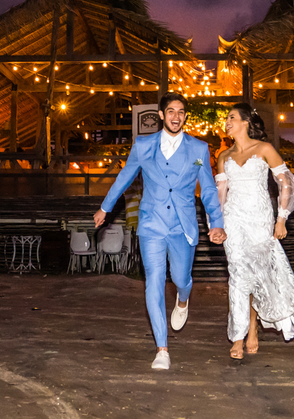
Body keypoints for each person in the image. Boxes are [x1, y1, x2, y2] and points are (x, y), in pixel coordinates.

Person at [94, 92, 226, 371]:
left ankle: (183, 298)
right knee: (153, 280)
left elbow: (210, 189)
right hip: (151, 224)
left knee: (181, 278)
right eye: (171, 111)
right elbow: (124, 177)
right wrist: (105, 208)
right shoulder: (143, 146)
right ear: (162, 115)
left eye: (181, 112)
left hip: (182, 226)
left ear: (185, 116)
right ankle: (162, 348)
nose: (176, 116)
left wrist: (217, 223)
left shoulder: (198, 150)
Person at [216, 103, 294, 359]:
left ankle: (253, 327)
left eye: (232, 117)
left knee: (257, 275)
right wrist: (217, 223)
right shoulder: (223, 156)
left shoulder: (265, 149)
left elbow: (287, 184)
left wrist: (281, 219)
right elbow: (220, 195)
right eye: (227, 118)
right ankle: (237, 335)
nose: (227, 121)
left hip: (260, 218)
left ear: (246, 122)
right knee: (237, 275)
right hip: (233, 219)